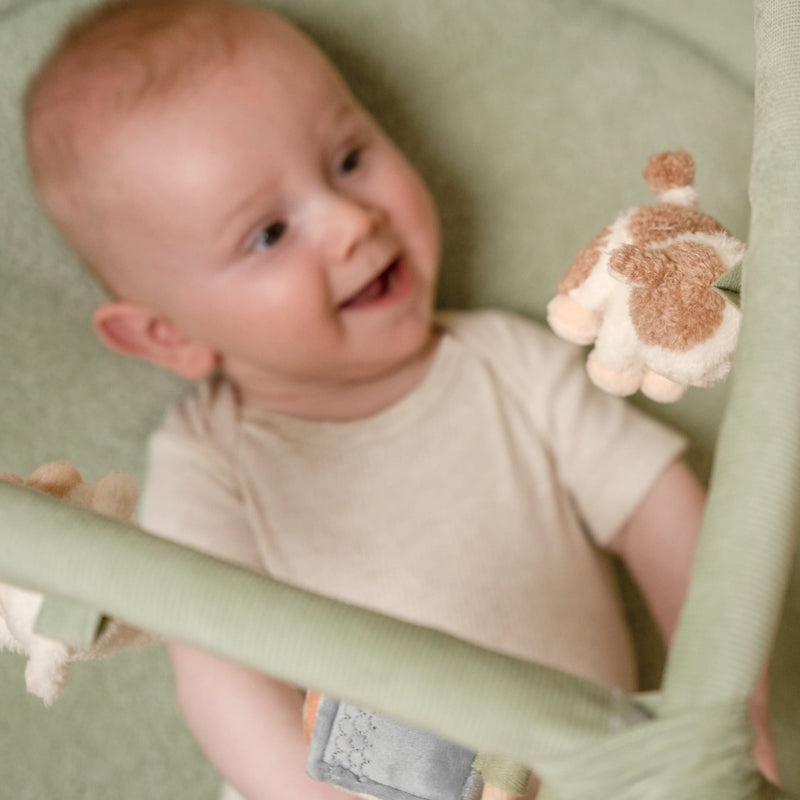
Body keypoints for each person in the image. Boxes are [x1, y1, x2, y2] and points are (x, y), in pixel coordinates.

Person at [22, 0, 775, 797]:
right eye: (269, 234)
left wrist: (729, 707)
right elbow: (217, 674)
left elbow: (659, 512)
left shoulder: (508, 364)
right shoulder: (210, 461)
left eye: (348, 159)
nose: (350, 220)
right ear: (167, 336)